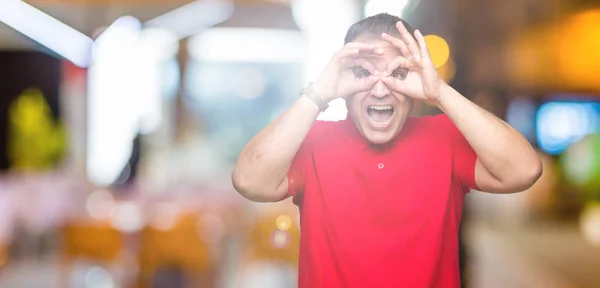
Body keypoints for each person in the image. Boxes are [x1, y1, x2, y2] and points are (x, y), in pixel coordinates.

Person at [232, 13, 542, 288]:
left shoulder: (445, 137)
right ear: (344, 82)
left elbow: (524, 170)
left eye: (398, 74)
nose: (380, 89)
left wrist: (441, 93)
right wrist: (319, 93)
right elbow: (249, 180)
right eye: (363, 73)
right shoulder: (314, 140)